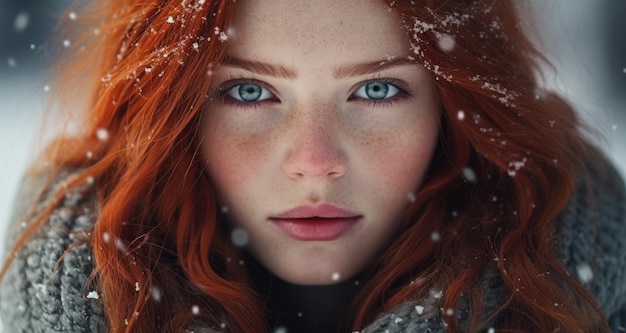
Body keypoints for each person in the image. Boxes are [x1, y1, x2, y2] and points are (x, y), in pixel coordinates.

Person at [1, 0, 625, 332]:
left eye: (376, 91)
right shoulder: (63, 299)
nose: (314, 164)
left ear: (459, 109)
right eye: (249, 91)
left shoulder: (586, 300)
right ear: (170, 114)